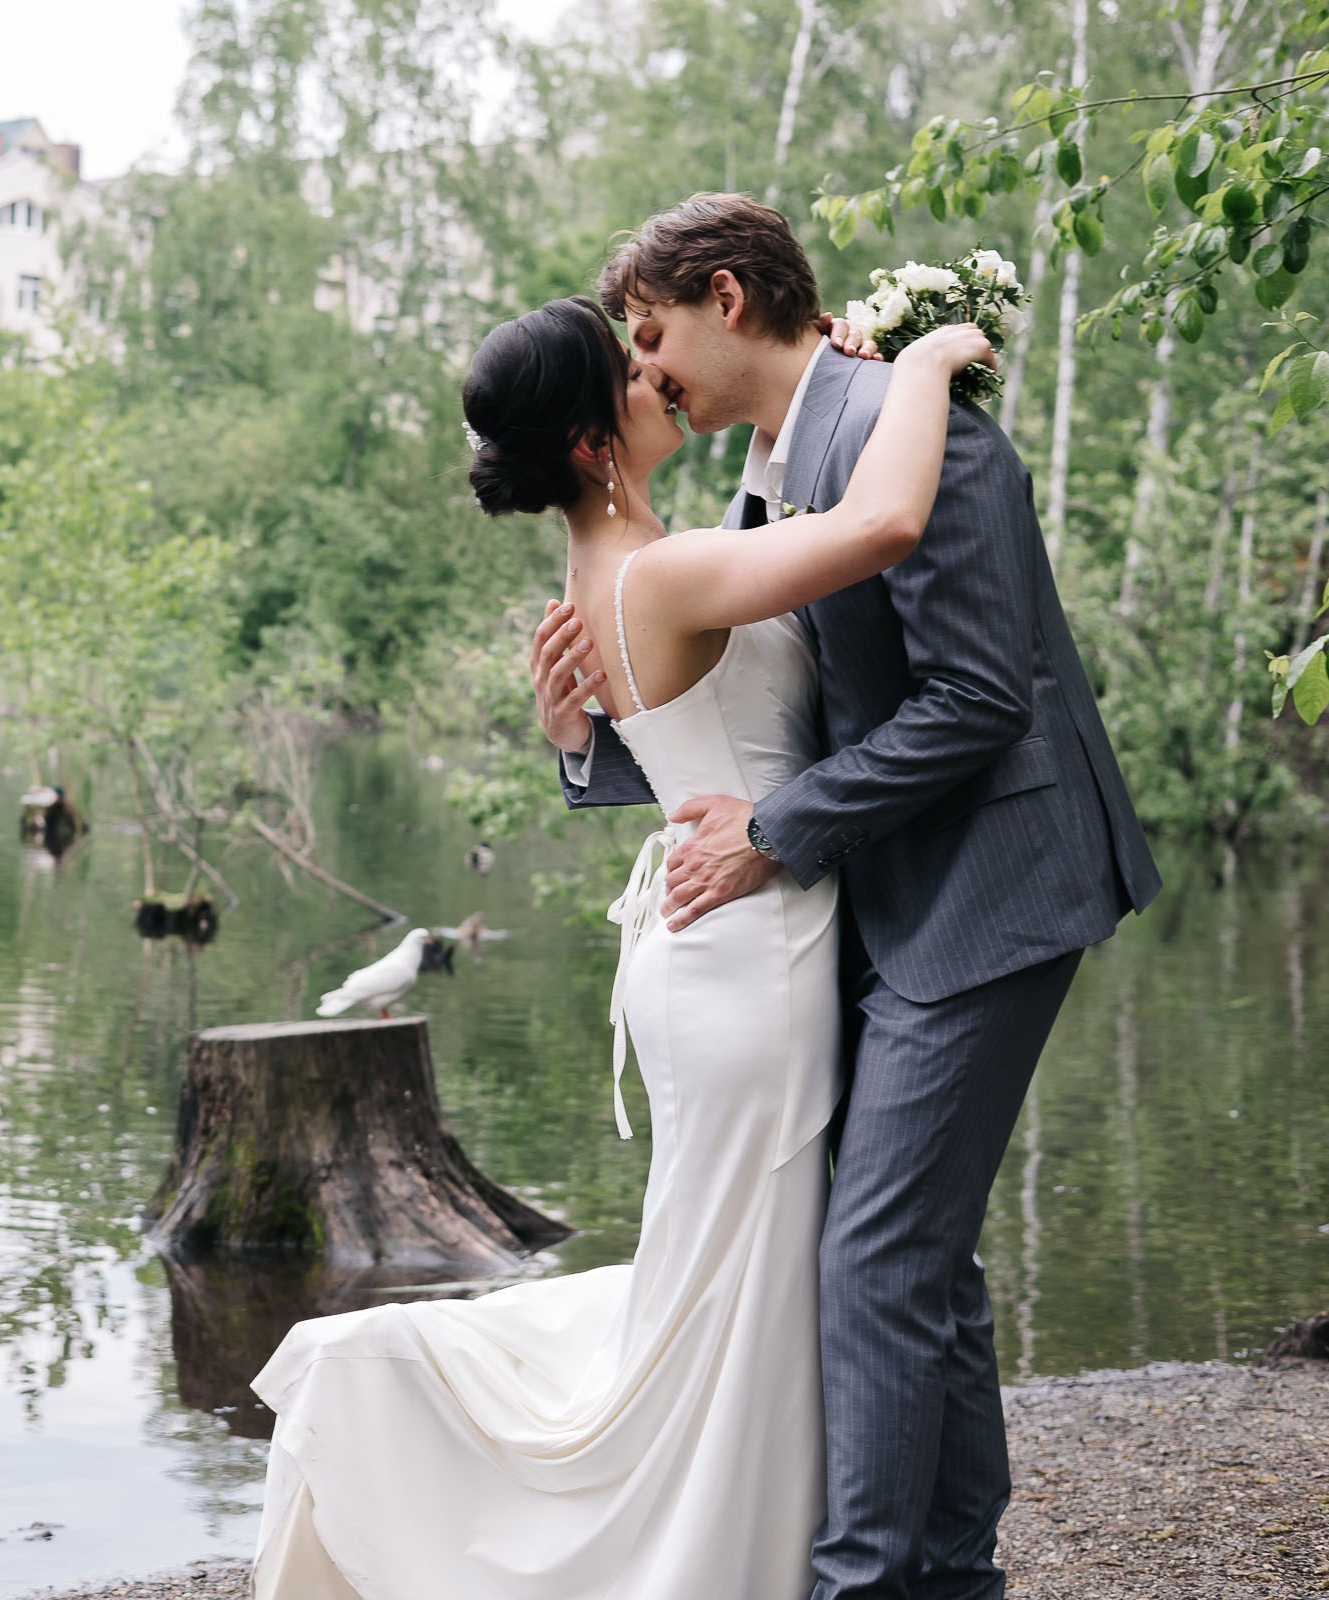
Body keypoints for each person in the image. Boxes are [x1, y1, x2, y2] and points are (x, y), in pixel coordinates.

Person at [250, 291, 1006, 1599]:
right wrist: (933, 354)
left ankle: (792, 1546)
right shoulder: (658, 572)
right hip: (749, 958)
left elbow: (709, 709)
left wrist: (578, 750)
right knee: (750, 1282)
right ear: (596, 440)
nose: (660, 374)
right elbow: (882, 524)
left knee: (733, 1278)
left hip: (714, 942)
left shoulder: (633, 562)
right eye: (632, 367)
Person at [531, 195, 1160, 1599]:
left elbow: (981, 699)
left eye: (652, 336)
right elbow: (770, 724)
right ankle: (948, 1579)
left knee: (875, 1258)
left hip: (993, 881)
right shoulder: (764, 465)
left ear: (729, 298)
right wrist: (590, 754)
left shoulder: (914, 428)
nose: (645, 373)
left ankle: (863, 1586)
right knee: (923, 1263)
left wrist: (781, 832)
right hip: (871, 901)